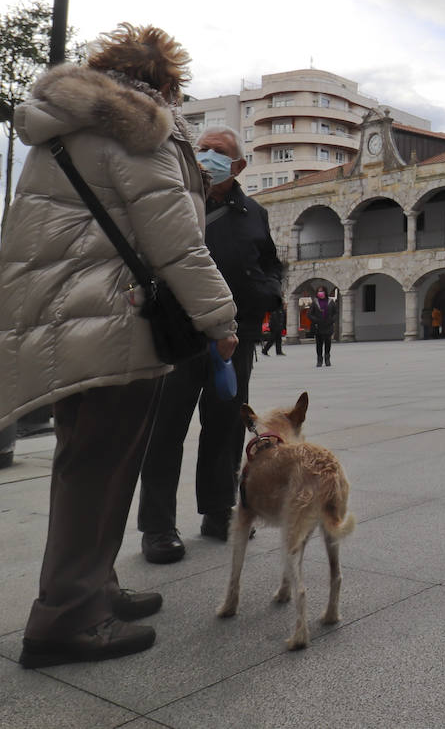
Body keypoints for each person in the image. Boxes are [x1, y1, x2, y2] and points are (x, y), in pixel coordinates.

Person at [0, 24, 238, 667]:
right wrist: (221, 320)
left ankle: (93, 588)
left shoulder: (69, 128)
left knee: (91, 463)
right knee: (96, 471)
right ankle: (66, 620)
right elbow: (177, 242)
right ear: (161, 84)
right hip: (106, 318)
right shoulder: (139, 132)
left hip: (70, 317)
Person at [137, 126, 283, 563]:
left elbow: (272, 262)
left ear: (238, 166)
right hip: (179, 336)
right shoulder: (176, 202)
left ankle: (218, 512)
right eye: (200, 149)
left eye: (217, 152)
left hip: (236, 339)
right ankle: (158, 527)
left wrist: (270, 293)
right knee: (166, 431)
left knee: (225, 429)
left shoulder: (253, 212)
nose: (205, 156)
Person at [308, 286, 338, 366]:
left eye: (321, 291)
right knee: (319, 344)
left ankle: (327, 358)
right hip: (318, 326)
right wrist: (315, 320)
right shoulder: (315, 302)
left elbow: (335, 313)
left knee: (328, 343)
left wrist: (332, 320)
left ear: (325, 292)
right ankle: (319, 359)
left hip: (328, 325)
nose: (320, 293)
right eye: (318, 291)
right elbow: (309, 314)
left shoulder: (331, 301)